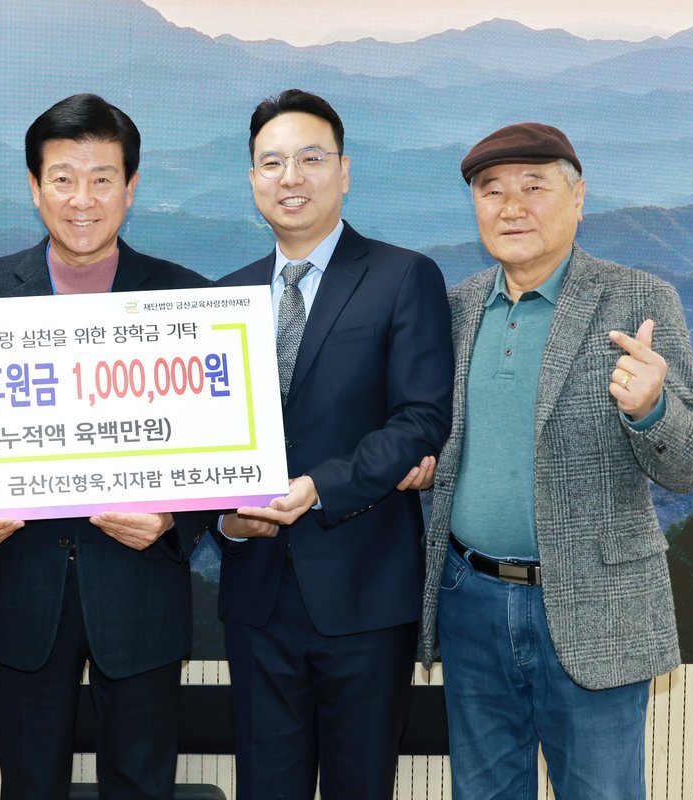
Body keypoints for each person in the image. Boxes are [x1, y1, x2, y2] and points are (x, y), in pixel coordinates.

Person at [418, 123, 693, 798]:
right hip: (471, 602)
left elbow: (691, 466)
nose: (511, 207)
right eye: (492, 190)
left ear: (579, 199)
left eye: (534, 187)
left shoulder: (639, 300)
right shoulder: (458, 307)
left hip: (595, 604)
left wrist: (652, 408)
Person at [0, 93, 211, 800]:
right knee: (29, 787)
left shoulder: (186, 297)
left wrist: (175, 519)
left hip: (140, 591)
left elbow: (216, 453)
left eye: (102, 178)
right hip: (21, 591)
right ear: (35, 188)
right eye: (63, 178)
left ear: (131, 187)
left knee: (143, 786)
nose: (83, 199)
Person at [214, 89, 453, 799]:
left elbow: (420, 420)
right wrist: (224, 520)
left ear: (344, 172)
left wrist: (320, 486)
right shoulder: (222, 299)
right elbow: (201, 446)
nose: (291, 178)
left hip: (364, 594)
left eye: (311, 159)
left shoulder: (402, 276)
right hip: (256, 598)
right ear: (252, 179)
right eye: (272, 163)